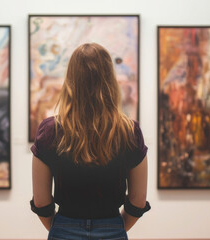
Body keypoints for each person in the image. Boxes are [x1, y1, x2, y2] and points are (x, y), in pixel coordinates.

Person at [30, 43, 150, 240]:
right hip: (112, 228)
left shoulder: (50, 131)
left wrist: (60, 228)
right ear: (110, 80)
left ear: (71, 80)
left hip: (63, 228)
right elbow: (138, 200)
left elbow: (41, 201)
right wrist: (114, 228)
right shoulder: (129, 132)